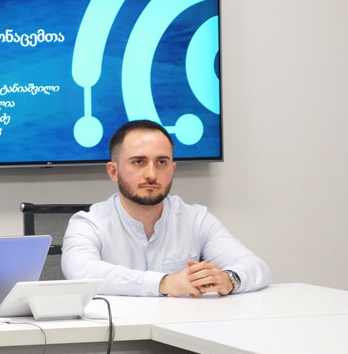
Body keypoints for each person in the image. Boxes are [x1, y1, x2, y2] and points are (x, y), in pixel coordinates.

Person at [62, 119, 271, 297]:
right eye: (138, 162)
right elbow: (80, 272)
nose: (151, 174)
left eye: (161, 162)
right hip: (115, 331)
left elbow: (256, 266)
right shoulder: (89, 223)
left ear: (172, 169)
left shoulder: (196, 219)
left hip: (182, 329)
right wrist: (164, 283)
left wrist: (228, 280)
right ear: (113, 172)